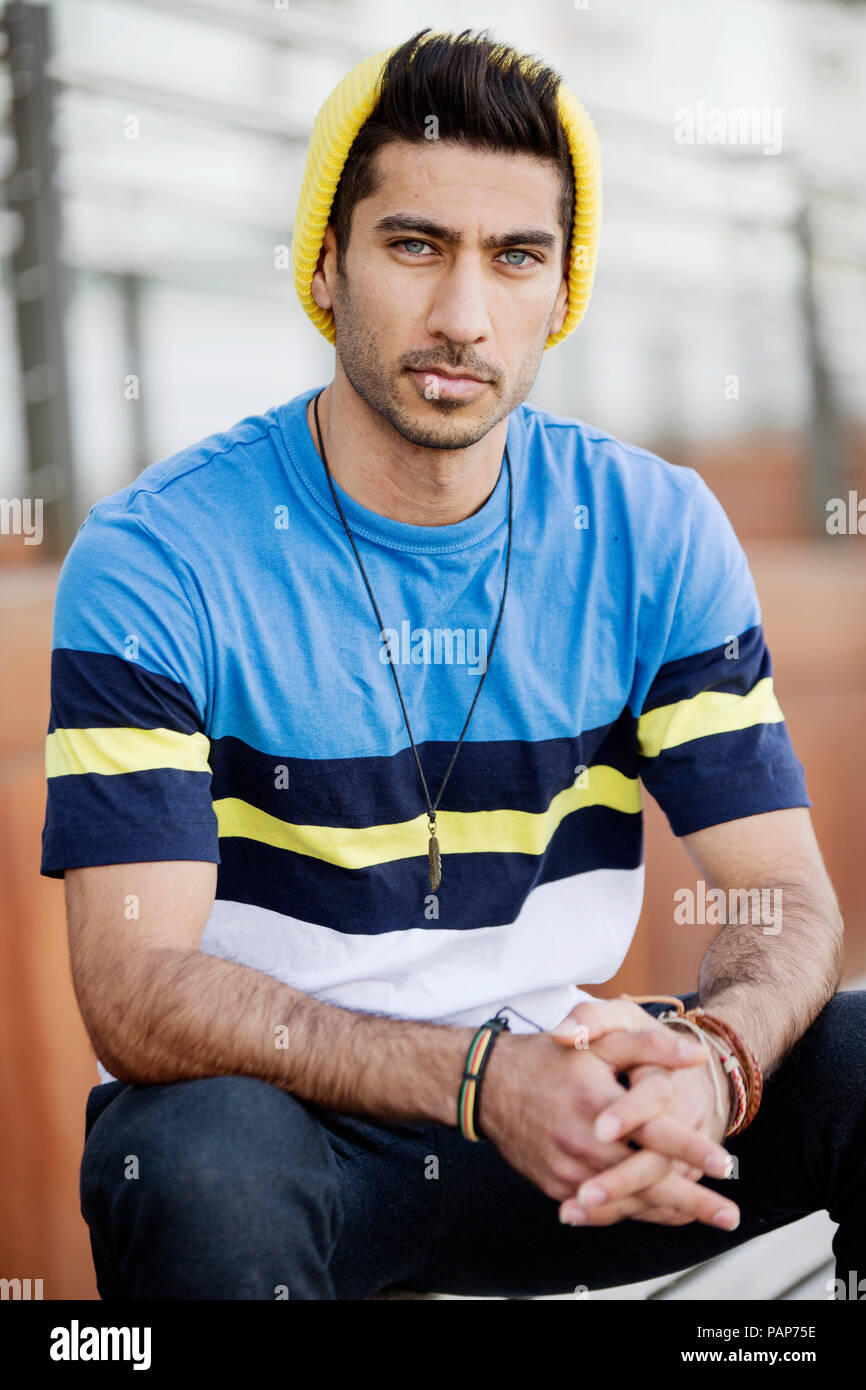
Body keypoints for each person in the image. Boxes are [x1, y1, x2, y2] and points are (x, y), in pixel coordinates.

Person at [42, 27, 863, 1301]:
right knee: (199, 1163)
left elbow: (781, 898)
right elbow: (134, 987)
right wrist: (476, 1078)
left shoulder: (647, 528)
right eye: (415, 245)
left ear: (559, 290)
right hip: (290, 1124)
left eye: (514, 256)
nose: (463, 317)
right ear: (325, 265)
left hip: (564, 1104)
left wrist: (712, 1056)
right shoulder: (159, 556)